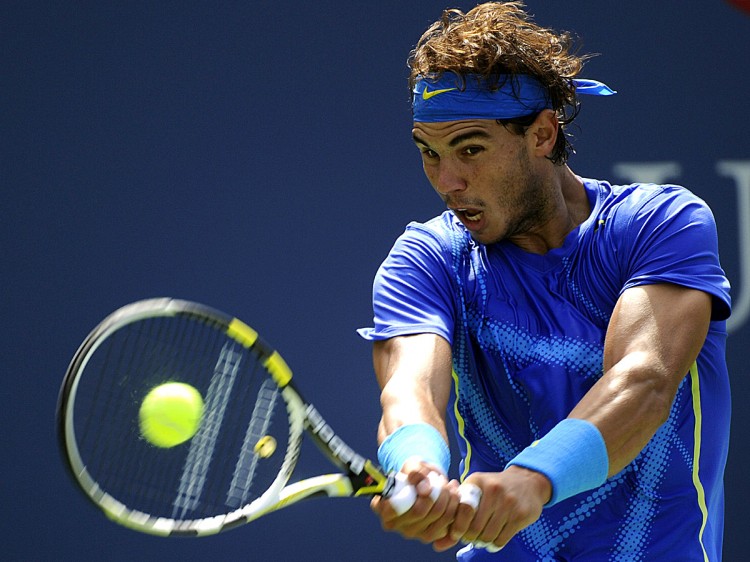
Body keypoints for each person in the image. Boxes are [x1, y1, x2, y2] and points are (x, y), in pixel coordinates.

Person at [358, 2, 731, 560]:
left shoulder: (659, 224)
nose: (448, 180)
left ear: (542, 133)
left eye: (470, 149)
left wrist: (533, 480)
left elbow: (643, 382)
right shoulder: (426, 258)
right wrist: (417, 462)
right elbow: (409, 388)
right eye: (429, 153)